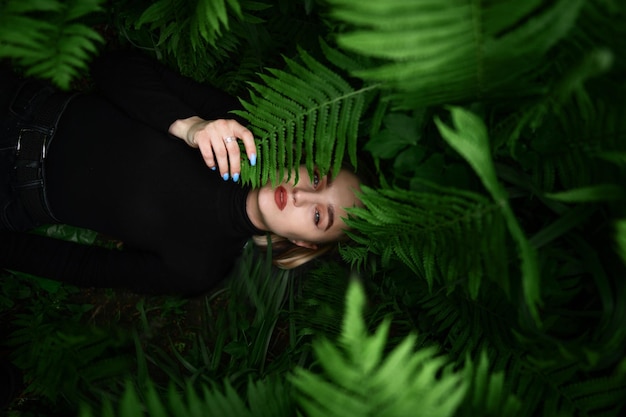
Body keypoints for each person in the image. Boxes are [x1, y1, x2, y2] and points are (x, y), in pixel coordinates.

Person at [0, 50, 362, 296]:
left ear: (304, 243)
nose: (301, 195)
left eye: (318, 215)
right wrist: (189, 125)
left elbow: (82, 267)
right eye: (316, 179)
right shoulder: (240, 127)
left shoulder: (201, 270)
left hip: (11, 197)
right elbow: (112, 63)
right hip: (18, 108)